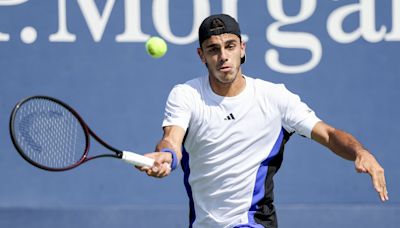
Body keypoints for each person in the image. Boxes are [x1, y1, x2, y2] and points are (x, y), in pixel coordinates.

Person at [137, 14, 389, 228]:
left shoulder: (274, 97)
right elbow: (172, 139)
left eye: (230, 46)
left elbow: (328, 133)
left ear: (242, 48)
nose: (223, 56)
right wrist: (167, 157)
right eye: (214, 49)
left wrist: (359, 151)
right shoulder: (187, 94)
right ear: (201, 55)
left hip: (253, 221)